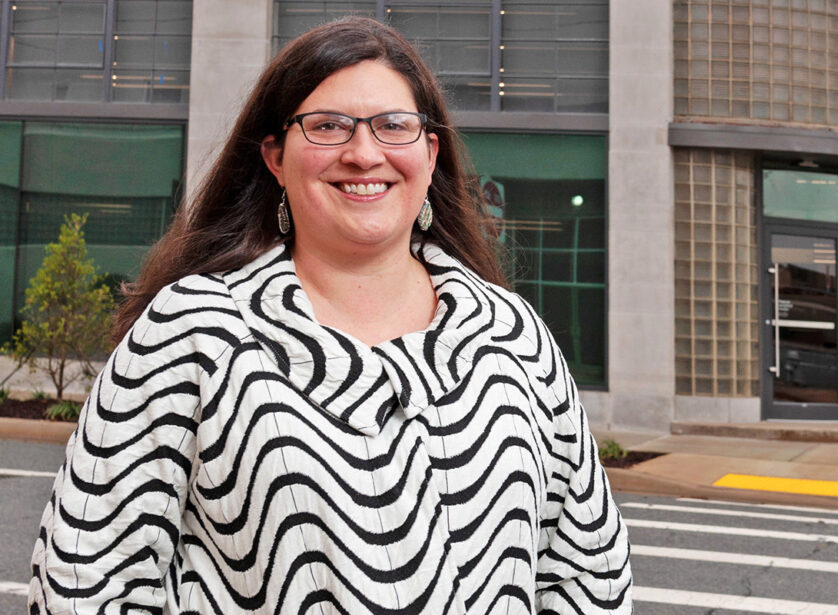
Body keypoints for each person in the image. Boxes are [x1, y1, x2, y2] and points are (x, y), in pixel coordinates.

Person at [29, 16, 633, 615]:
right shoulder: (193, 330)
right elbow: (84, 580)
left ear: (429, 153)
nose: (364, 153)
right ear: (275, 157)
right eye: (327, 127)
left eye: (394, 126)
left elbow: (588, 571)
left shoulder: (512, 333)